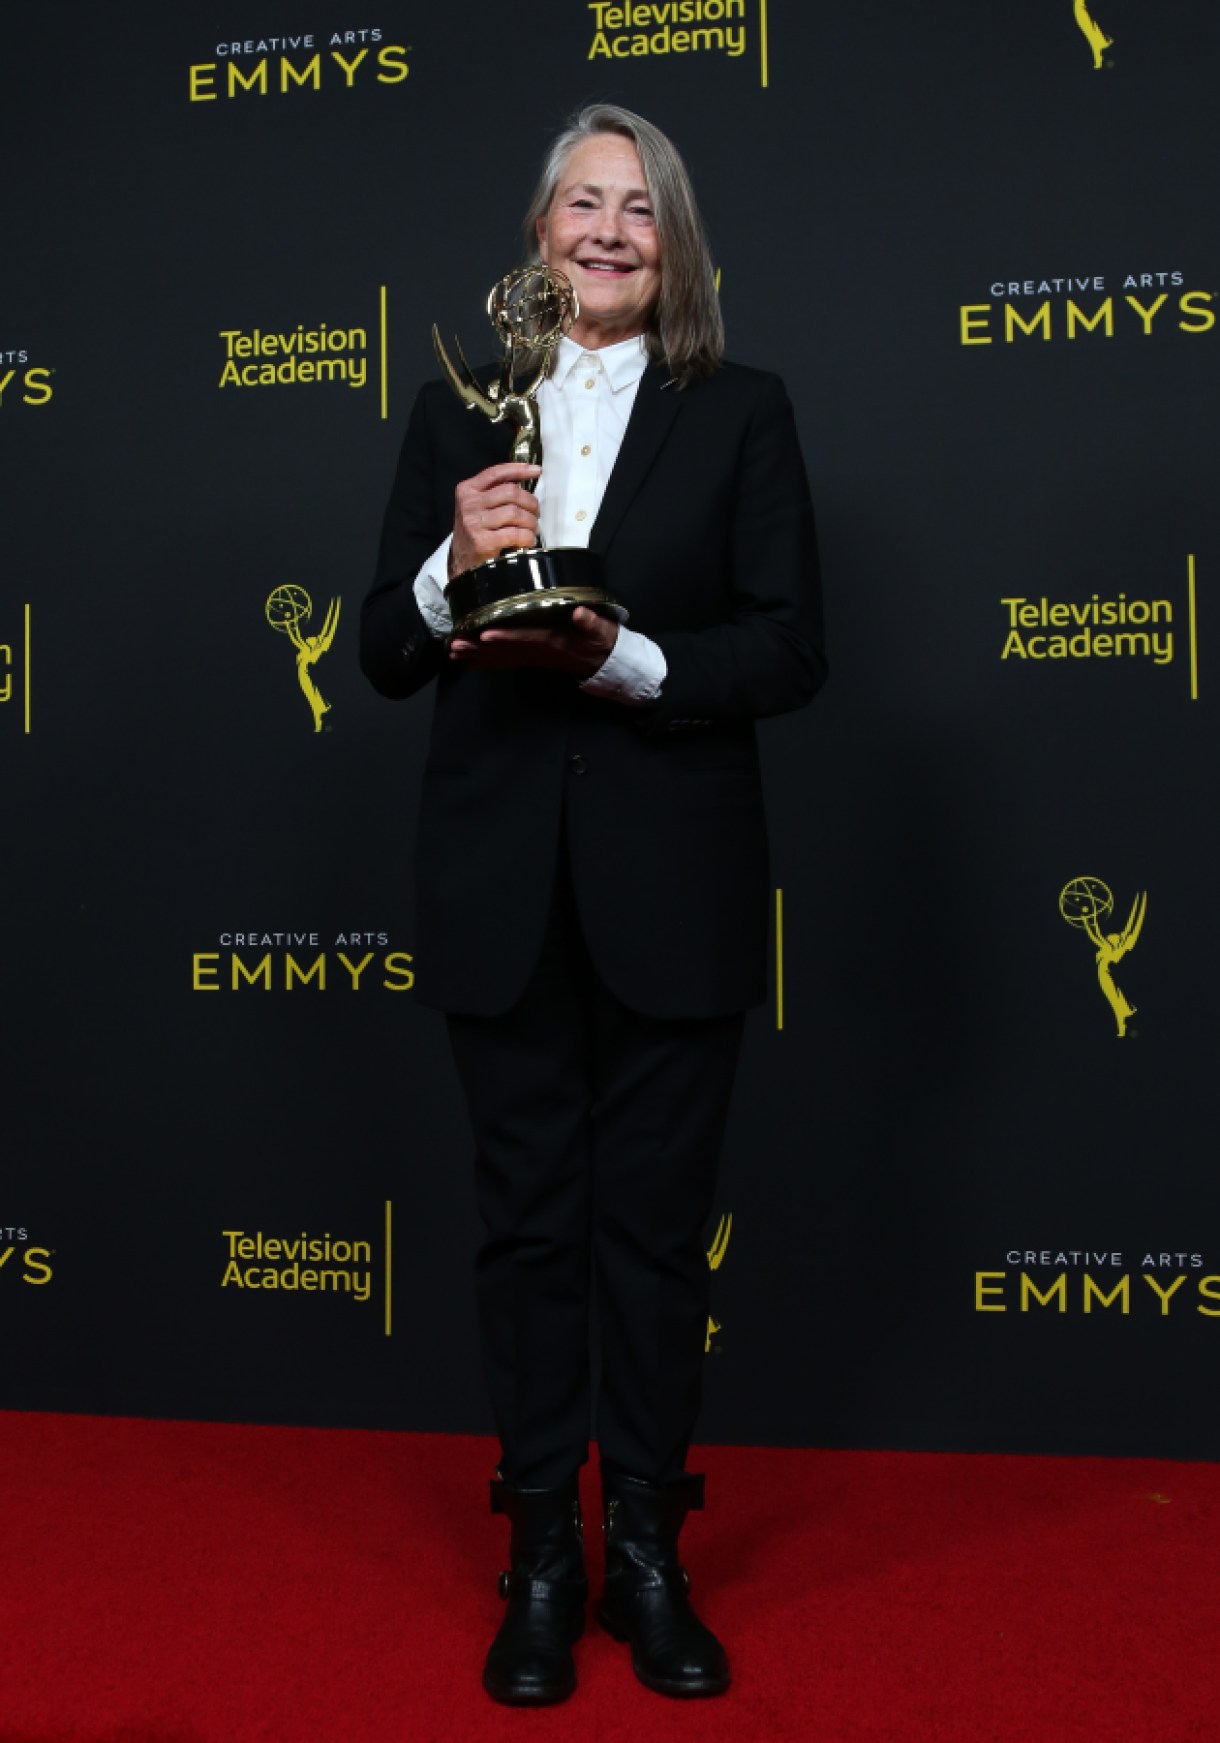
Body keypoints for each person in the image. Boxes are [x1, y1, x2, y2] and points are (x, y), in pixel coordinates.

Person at [361, 102, 825, 1705]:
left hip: (676, 887)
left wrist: (625, 662)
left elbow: (790, 647)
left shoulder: (744, 411)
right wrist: (448, 559)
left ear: (673, 240)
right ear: (540, 233)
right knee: (528, 1232)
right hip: (500, 881)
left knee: (651, 1241)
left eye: (641, 206)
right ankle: (540, 1565)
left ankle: (647, 1557)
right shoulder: (454, 411)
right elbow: (381, 650)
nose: (611, 229)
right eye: (584, 202)